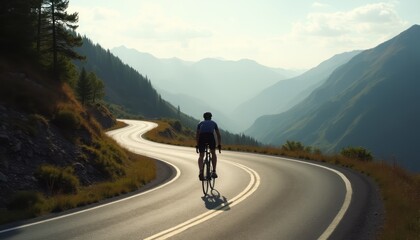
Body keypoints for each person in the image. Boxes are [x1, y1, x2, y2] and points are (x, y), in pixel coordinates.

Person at [196, 112, 221, 181]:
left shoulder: (200, 123)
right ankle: (214, 171)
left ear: (204, 117)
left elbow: (197, 135)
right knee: (213, 153)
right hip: (210, 137)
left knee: (201, 156)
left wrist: (197, 145)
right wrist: (219, 144)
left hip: (202, 137)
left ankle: (201, 171)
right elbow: (218, 135)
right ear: (211, 117)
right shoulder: (214, 123)